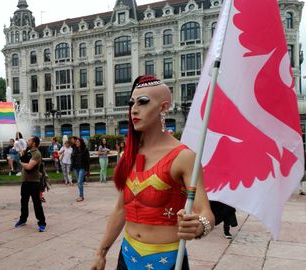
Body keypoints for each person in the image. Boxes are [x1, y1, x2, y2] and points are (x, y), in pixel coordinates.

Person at [90, 75, 214, 270]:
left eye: (143, 102)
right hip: (127, 257)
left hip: (169, 261)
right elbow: (121, 209)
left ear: (163, 107)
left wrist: (199, 225)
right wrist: (101, 253)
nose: (134, 109)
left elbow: (205, 211)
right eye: (132, 103)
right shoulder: (129, 156)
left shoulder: (184, 157)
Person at [14, 136, 47, 232]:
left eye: (29, 140)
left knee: (37, 203)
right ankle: (23, 219)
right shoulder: (28, 152)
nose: (27, 142)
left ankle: (42, 223)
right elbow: (25, 159)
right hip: (25, 181)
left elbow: (28, 167)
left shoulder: (37, 153)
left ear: (34, 143)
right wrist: (22, 155)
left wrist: (21, 162)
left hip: (34, 182)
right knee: (23, 201)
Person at [71, 138, 90, 202]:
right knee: (79, 183)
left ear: (81, 142)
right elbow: (73, 159)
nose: (77, 143)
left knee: (79, 182)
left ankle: (81, 196)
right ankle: (81, 195)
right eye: (76, 142)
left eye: (78, 142)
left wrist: (87, 169)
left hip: (82, 167)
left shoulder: (85, 150)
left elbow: (87, 160)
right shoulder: (75, 149)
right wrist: (71, 167)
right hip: (76, 167)